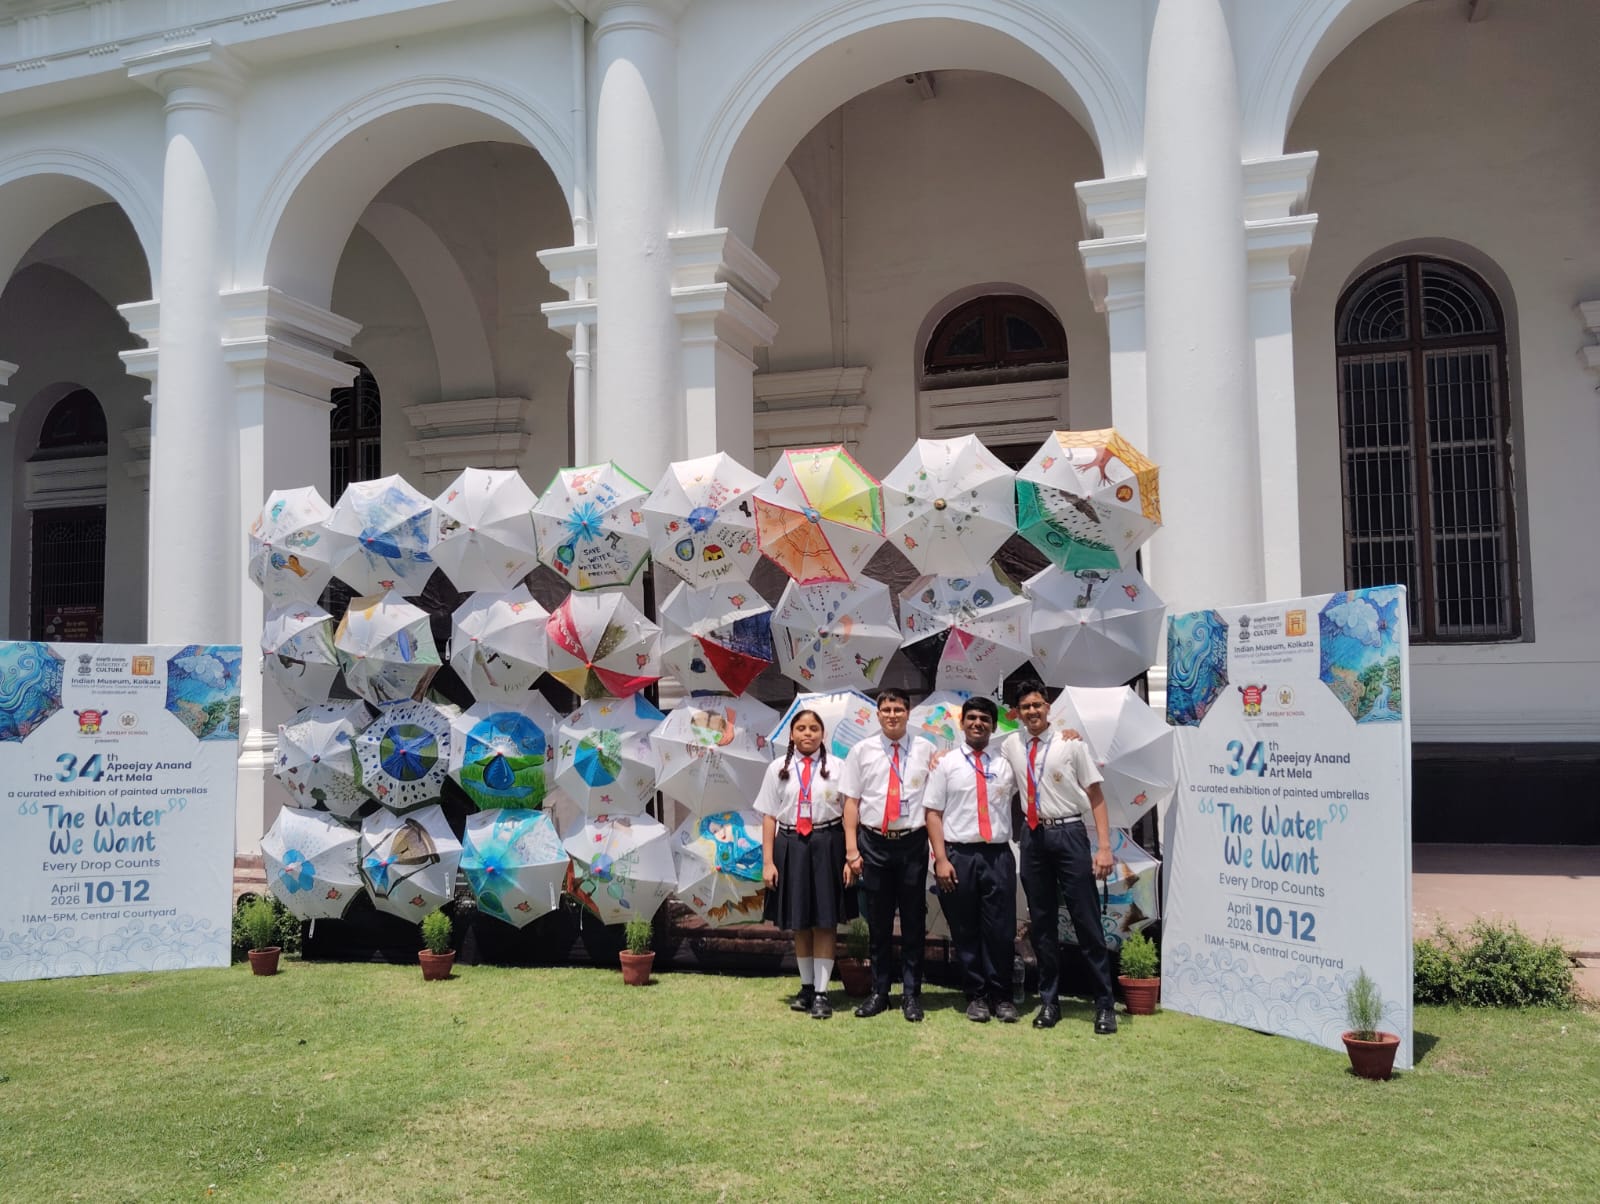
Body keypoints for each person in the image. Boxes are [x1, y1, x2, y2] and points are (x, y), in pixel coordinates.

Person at [998, 679, 1118, 1034]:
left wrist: (1105, 847)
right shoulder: (1011, 744)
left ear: (1048, 707)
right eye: (1025, 708)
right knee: (1043, 923)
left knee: (1086, 920)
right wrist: (943, 754)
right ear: (1016, 713)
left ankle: (1104, 1004)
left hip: (1069, 833)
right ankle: (1049, 1002)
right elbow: (978, 755)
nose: (1032, 712)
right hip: (1033, 837)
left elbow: (1095, 795)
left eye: (1037, 705)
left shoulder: (1071, 744)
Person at [924, 696, 1021, 1023]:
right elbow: (933, 813)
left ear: (993, 727)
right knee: (964, 929)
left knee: (1001, 930)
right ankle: (976, 995)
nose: (978, 723)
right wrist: (940, 859)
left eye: (984, 719)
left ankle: (1002, 996)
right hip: (958, 855)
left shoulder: (1006, 764)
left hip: (997, 856)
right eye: (972, 718)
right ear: (962, 723)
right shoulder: (946, 763)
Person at [840, 688, 934, 1022]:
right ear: (877, 715)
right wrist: (852, 850)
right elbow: (850, 801)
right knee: (878, 922)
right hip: (874, 843)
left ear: (908, 713)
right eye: (886, 709)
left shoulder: (927, 749)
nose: (892, 715)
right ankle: (879, 992)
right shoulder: (861, 751)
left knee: (913, 920)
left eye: (898, 709)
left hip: (912, 842)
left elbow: (938, 798)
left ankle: (911, 993)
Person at [756, 709, 850, 1019]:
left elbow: (850, 810)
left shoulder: (838, 767)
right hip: (790, 844)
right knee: (800, 921)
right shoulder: (776, 769)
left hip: (828, 843)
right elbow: (769, 816)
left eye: (813, 728)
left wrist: (852, 853)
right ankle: (807, 986)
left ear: (823, 734)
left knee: (824, 919)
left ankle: (823, 992)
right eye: (801, 728)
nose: (807, 734)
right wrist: (768, 861)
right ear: (792, 735)